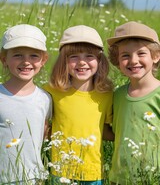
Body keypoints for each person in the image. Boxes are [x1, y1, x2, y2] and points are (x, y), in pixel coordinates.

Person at [44, 25, 114, 185]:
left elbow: (104, 129)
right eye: (73, 56)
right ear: (63, 61)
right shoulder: (51, 91)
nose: (82, 62)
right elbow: (45, 127)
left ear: (99, 60)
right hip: (60, 170)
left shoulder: (106, 94)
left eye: (89, 56)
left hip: (93, 172)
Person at [107, 21, 160, 185]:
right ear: (117, 60)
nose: (133, 60)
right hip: (120, 178)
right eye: (125, 55)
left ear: (156, 56)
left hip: (153, 178)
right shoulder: (117, 95)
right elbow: (115, 132)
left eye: (141, 53)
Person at [0, 24, 52, 184]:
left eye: (34, 56)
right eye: (17, 55)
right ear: (4, 60)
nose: (26, 62)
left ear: (43, 60)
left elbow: (45, 133)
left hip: (34, 178)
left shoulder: (45, 98)